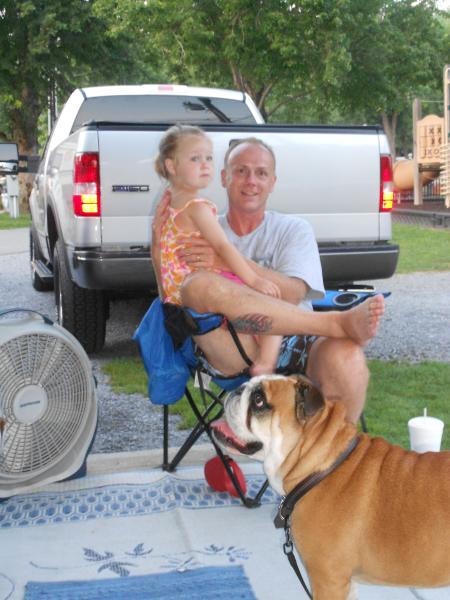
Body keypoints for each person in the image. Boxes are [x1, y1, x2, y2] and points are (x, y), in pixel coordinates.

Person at [152, 136, 384, 423]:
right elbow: (173, 293)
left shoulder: (292, 230)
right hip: (231, 344)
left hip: (298, 342)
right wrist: (158, 241)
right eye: (241, 171)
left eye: (261, 173)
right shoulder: (200, 228)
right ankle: (336, 322)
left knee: (347, 358)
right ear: (224, 178)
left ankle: (336, 460)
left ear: (272, 182)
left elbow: (295, 293)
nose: (251, 181)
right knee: (199, 286)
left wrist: (227, 262)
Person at [154, 124, 283, 375]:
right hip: (204, 288)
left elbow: (160, 255)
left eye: (208, 158)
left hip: (177, 299)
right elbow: (223, 247)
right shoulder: (196, 207)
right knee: (271, 304)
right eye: (195, 158)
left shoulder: (169, 207)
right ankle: (267, 362)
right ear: (172, 166)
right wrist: (255, 279)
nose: (205, 165)